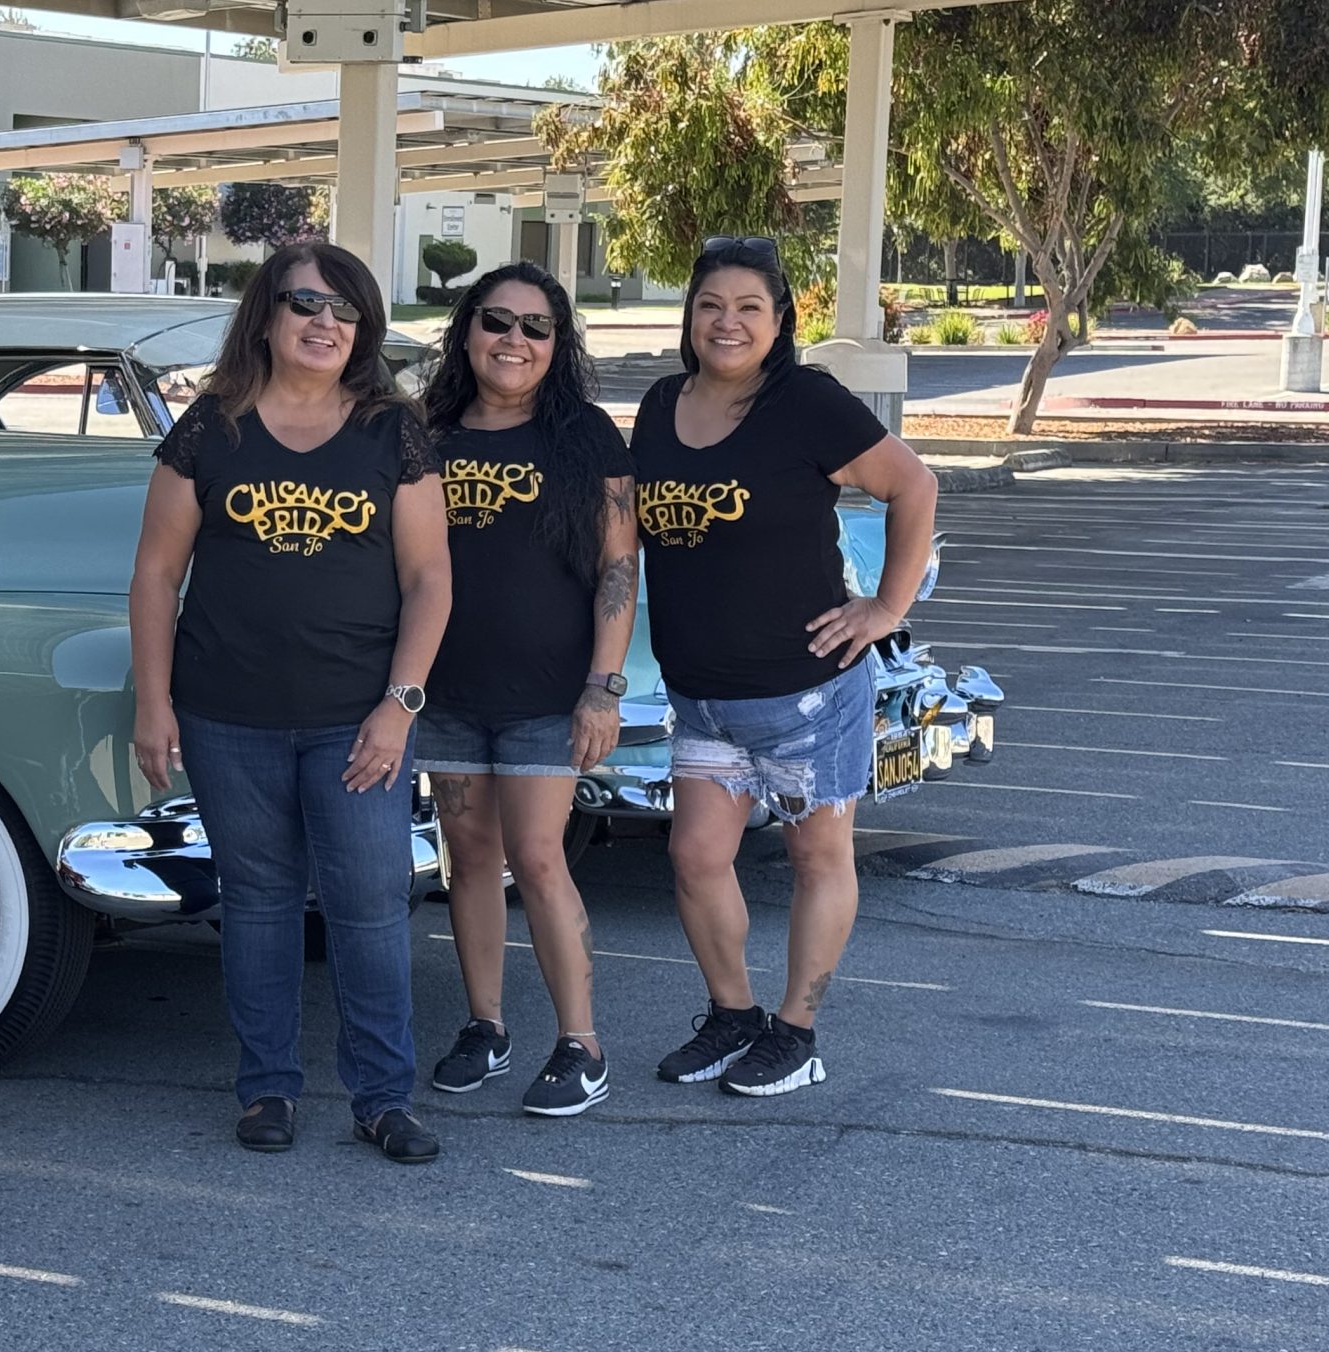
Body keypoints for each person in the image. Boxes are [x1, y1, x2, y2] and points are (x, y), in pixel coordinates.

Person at [128, 240, 453, 1163]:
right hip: (227, 716)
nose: (325, 324)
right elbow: (156, 575)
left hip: (359, 720)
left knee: (369, 906)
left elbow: (430, 579)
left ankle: (383, 1098)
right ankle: (266, 1088)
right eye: (306, 303)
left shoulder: (393, 432)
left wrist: (400, 705)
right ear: (266, 316)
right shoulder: (211, 428)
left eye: (345, 310)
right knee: (260, 904)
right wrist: (155, 702)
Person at [636, 237, 937, 1098]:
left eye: (748, 308)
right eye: (709, 305)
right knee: (696, 858)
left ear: (779, 322)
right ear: (689, 315)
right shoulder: (661, 404)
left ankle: (796, 1035)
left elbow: (913, 486)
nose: (726, 322)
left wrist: (886, 609)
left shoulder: (806, 402)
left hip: (807, 693)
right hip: (703, 699)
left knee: (816, 858)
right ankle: (733, 1017)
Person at [417, 264, 636, 1118]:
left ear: (558, 343)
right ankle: (487, 1026)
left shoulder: (585, 436)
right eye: (498, 322)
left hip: (549, 695)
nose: (515, 340)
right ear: (467, 331)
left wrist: (603, 688)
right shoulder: (426, 434)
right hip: (445, 693)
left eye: (536, 327)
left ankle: (582, 1045)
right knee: (469, 857)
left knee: (539, 858)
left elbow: (619, 566)